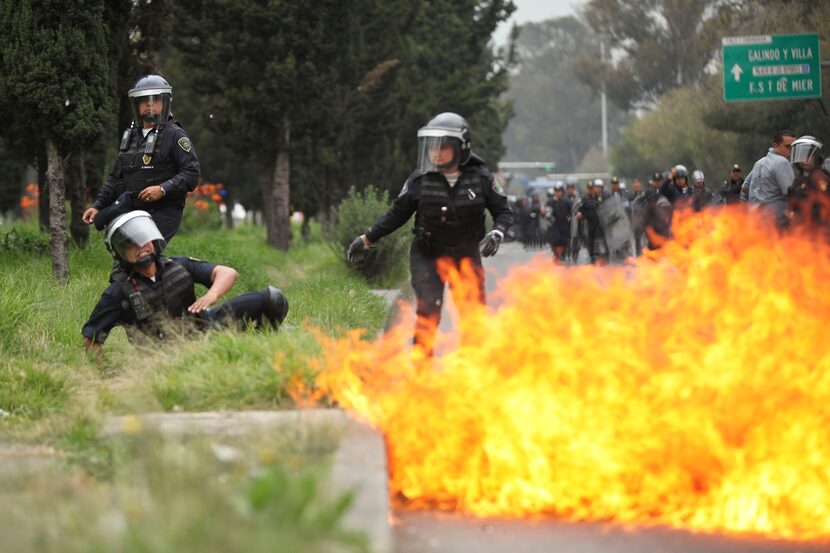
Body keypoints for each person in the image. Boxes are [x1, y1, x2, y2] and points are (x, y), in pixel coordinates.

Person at [345, 112, 512, 355]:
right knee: (428, 310)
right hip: (428, 253)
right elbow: (396, 215)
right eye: (432, 147)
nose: (435, 152)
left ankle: (472, 367)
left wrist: (498, 232)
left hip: (466, 253)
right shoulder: (419, 180)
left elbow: (504, 212)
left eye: (443, 147)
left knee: (472, 314)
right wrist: (367, 238)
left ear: (461, 148)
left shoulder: (482, 178)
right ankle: (421, 366)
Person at [82, 211, 288, 354]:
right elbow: (90, 339)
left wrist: (212, 294)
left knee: (272, 298)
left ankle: (261, 347)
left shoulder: (177, 265)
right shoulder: (117, 292)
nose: (141, 246)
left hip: (206, 329)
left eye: (143, 239)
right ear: (118, 252)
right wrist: (108, 377)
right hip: (167, 355)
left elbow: (228, 273)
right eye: (131, 243)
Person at [82, 75, 200, 243]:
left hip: (164, 210)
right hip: (133, 207)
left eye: (155, 100)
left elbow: (191, 173)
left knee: (144, 252)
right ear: (136, 105)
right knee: (123, 253)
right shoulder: (130, 137)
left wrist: (162, 189)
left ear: (165, 102)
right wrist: (98, 205)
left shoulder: (175, 135)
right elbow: (116, 177)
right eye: (144, 100)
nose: (149, 104)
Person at [745, 130, 797, 227]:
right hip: (776, 222)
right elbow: (791, 193)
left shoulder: (759, 162)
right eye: (788, 146)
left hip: (755, 220)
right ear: (775, 146)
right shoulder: (782, 162)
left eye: (794, 147)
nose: (792, 150)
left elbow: (744, 188)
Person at [788, 135, 830, 229]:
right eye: (801, 155)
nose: (803, 160)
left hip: (820, 228)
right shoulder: (799, 180)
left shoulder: (821, 177)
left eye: (808, 155)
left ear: (817, 156)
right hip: (802, 228)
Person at [545, 182, 571, 263]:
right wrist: (548, 215)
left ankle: (563, 254)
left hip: (564, 223)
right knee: (555, 240)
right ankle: (556, 254)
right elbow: (547, 212)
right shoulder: (550, 201)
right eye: (556, 191)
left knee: (564, 240)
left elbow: (571, 211)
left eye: (559, 191)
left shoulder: (566, 201)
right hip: (554, 224)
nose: (558, 192)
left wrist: (569, 217)